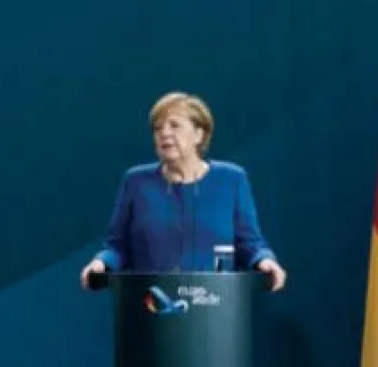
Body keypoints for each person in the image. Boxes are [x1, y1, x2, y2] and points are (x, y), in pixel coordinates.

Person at [80, 92, 286, 290]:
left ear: (199, 134)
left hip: (213, 307)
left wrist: (264, 260)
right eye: (158, 128)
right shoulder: (135, 182)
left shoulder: (231, 179)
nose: (164, 133)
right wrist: (101, 263)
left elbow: (249, 243)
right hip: (151, 306)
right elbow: (117, 246)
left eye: (175, 126)